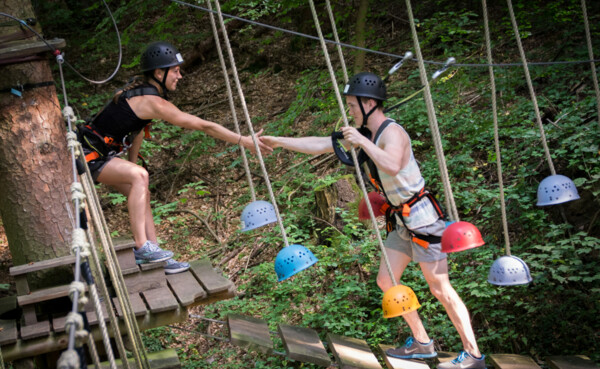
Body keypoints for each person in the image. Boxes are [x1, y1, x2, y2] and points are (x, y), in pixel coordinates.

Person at [260, 72, 485, 368]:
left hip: (424, 219)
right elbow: (319, 144)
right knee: (386, 279)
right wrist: (278, 141)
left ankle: (473, 356)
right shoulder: (365, 134)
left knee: (440, 288)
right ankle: (422, 342)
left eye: (353, 105)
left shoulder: (393, 134)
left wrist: (361, 143)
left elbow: (391, 165)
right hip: (401, 220)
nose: (350, 111)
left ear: (368, 103)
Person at [78, 41, 272, 274]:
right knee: (140, 176)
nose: (180, 75)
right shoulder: (154, 102)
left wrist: (131, 165)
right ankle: (142, 247)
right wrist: (243, 140)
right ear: (159, 73)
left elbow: (137, 129)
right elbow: (203, 125)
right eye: (175, 70)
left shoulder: (143, 96)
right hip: (83, 156)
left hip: (98, 155)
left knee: (141, 188)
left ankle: (156, 256)